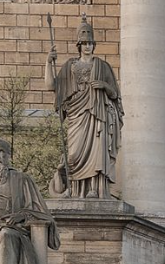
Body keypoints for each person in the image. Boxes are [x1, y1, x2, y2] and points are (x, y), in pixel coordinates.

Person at [49, 16, 125, 200]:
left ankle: (94, 189)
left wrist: (104, 86)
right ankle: (75, 190)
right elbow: (52, 85)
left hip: (97, 114)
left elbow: (115, 95)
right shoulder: (69, 66)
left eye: (90, 43)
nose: (87, 46)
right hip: (76, 114)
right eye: (84, 43)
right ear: (79, 45)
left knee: (97, 151)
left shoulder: (103, 66)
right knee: (73, 154)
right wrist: (47, 62)